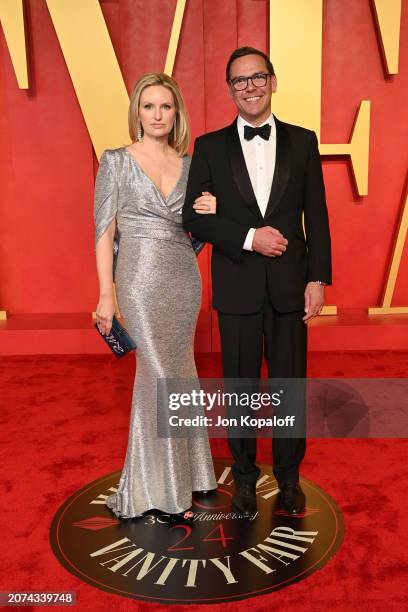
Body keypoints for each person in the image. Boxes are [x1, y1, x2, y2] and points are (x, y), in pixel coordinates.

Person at [183, 47, 332, 516]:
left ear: (273, 81)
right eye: (239, 81)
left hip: (292, 287)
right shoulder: (208, 147)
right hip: (239, 286)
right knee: (241, 388)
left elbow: (318, 217)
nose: (250, 87)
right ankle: (245, 477)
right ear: (230, 89)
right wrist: (249, 237)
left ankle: (289, 478)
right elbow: (194, 218)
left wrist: (319, 278)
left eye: (257, 77)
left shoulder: (304, 141)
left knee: (290, 385)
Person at [94, 72, 217, 523]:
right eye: (149, 106)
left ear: (176, 113)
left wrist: (210, 212)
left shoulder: (190, 166)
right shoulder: (116, 161)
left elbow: (198, 234)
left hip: (184, 277)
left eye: (166, 106)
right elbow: (104, 233)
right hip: (139, 281)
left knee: (181, 370)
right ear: (137, 112)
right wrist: (106, 295)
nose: (158, 114)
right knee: (159, 374)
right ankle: (159, 488)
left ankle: (192, 472)